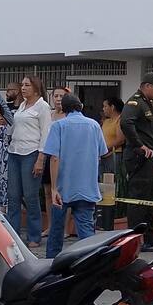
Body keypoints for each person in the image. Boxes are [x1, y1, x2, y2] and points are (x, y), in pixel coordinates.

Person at [43, 93, 108, 259]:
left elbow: (54, 157)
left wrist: (54, 188)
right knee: (86, 232)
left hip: (63, 188)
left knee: (56, 231)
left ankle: (51, 265)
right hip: (87, 187)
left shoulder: (58, 126)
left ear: (63, 110)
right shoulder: (94, 126)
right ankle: (90, 265)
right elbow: (102, 153)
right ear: (81, 107)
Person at [121, 73, 153, 252]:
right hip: (140, 158)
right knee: (138, 200)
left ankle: (149, 236)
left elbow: (151, 130)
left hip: (151, 158)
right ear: (146, 86)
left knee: (150, 199)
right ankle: (136, 240)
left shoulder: (147, 104)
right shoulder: (135, 102)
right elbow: (126, 124)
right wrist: (140, 146)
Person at [6, 75, 52, 248]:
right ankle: (13, 234)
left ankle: (34, 235)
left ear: (36, 88)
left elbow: (46, 133)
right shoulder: (22, 105)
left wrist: (41, 159)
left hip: (31, 153)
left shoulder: (42, 106)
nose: (23, 88)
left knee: (31, 196)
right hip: (14, 152)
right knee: (13, 196)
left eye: (27, 85)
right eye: (22, 85)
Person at [43, 87, 73, 239]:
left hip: (64, 158)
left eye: (62, 96)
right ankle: (50, 226)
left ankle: (65, 228)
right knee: (48, 192)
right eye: (56, 96)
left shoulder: (70, 116)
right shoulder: (48, 115)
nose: (58, 98)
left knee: (64, 193)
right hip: (49, 155)